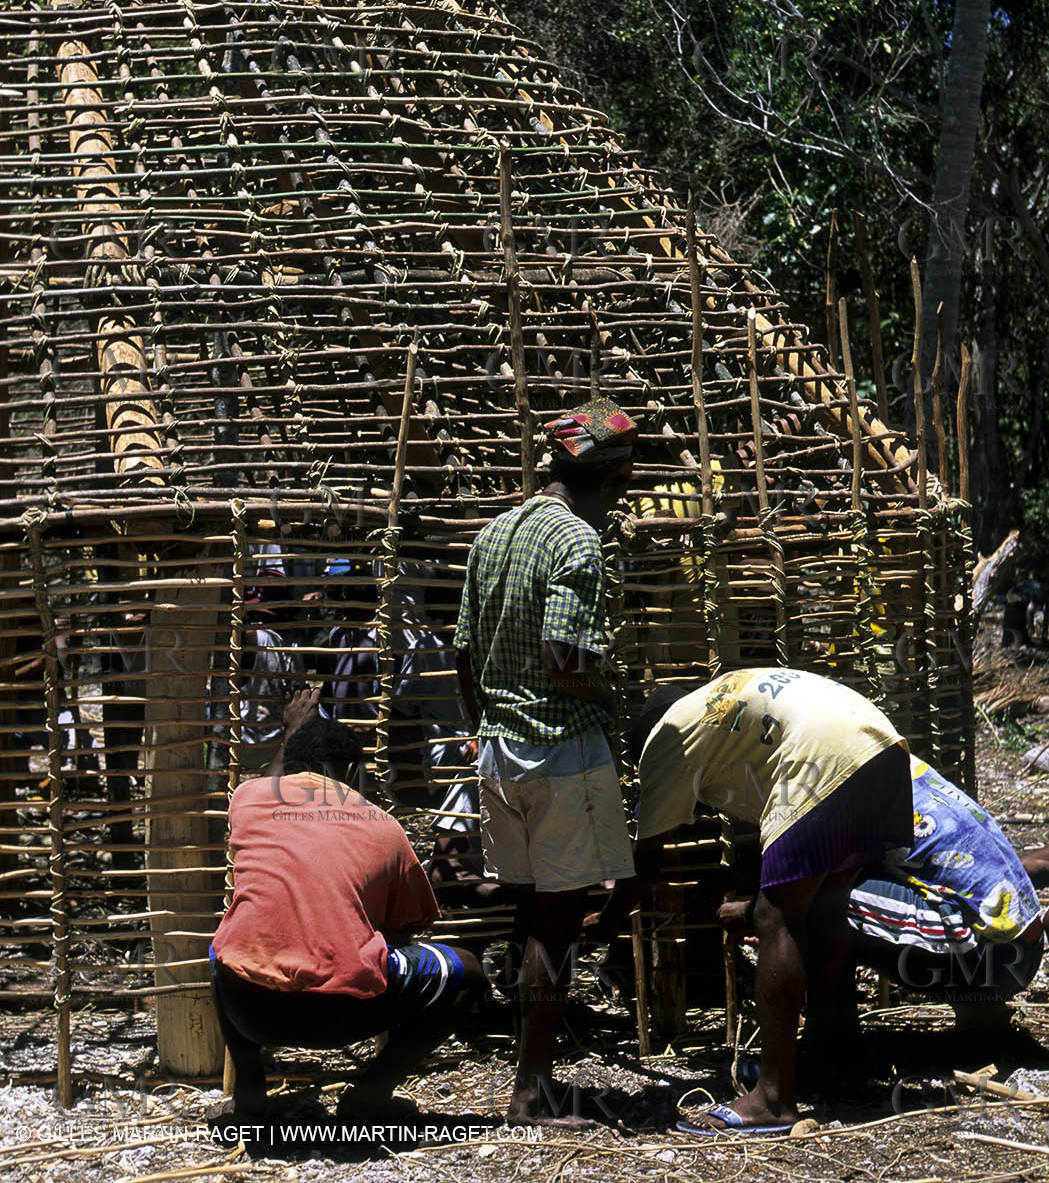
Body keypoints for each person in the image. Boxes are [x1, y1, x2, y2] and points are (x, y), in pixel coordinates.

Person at [588, 667, 913, 1135]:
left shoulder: (665, 740)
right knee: (824, 909)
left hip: (823, 755)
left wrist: (607, 923)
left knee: (773, 916)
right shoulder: (719, 708)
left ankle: (772, 1100)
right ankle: (836, 1056)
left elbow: (648, 865)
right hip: (882, 748)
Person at [454, 396, 639, 1125]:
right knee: (556, 924)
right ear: (614, 475)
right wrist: (613, 694)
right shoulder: (577, 543)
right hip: (559, 752)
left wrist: (487, 727)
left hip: (500, 752)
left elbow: (464, 655)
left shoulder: (493, 534)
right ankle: (531, 1088)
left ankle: (527, 1065)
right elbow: (563, 657)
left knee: (530, 912)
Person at [209, 710, 486, 1119]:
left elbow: (272, 778)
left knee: (226, 947)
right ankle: (370, 1094)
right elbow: (406, 928)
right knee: (467, 971)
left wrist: (288, 734)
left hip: (249, 1007)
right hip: (344, 1016)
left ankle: (250, 1094)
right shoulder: (385, 827)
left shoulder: (248, 798)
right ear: (353, 769)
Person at [844, 753, 1044, 1031]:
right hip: (1027, 951)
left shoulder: (843, 788)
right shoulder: (900, 762)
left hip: (990, 964)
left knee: (822, 900)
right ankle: (981, 1005)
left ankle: (834, 1035)